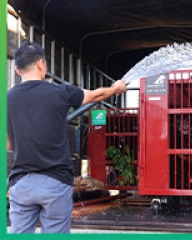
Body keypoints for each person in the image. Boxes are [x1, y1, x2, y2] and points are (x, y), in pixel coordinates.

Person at [7, 41, 126, 233]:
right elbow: (96, 95)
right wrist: (116, 88)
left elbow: (9, 144)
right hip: (55, 183)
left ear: (17, 69)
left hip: (22, 184)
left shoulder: (7, 99)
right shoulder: (60, 92)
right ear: (41, 64)